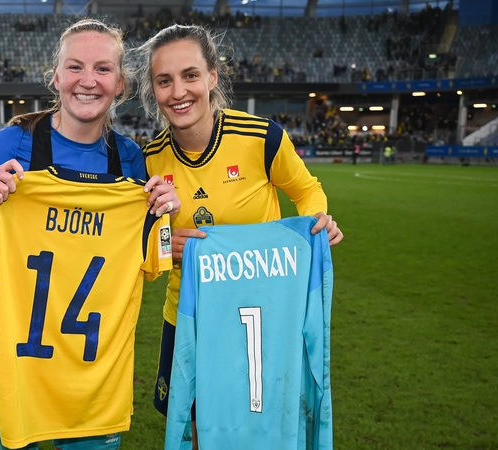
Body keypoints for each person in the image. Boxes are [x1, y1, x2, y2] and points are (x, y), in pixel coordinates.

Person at [0, 19, 180, 450]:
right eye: (75, 67)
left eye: (103, 69)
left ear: (121, 84)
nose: (88, 81)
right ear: (55, 76)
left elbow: (155, 260)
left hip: (92, 367)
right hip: (14, 351)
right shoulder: (12, 144)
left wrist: (165, 215)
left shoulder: (129, 161)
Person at [132, 24, 344, 448]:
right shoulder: (148, 160)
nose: (179, 92)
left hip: (261, 317)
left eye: (190, 75)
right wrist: (164, 247)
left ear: (212, 76)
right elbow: (142, 252)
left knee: (263, 428)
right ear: (153, 90)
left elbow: (305, 189)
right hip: (191, 317)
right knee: (199, 431)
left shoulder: (261, 139)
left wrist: (317, 218)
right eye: (164, 80)